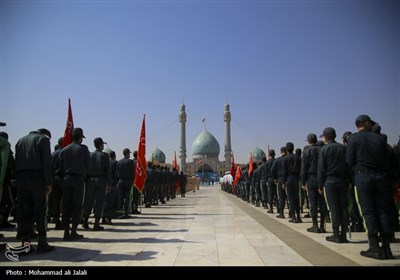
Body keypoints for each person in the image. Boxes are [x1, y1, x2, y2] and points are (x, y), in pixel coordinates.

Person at [347, 115, 394, 259]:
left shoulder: (353, 139)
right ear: (366, 123)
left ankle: (374, 247)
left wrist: (360, 169)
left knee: (368, 212)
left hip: (363, 176)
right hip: (380, 177)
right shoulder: (380, 139)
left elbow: (349, 160)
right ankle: (386, 247)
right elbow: (388, 161)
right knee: (382, 211)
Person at [15, 128, 54, 254]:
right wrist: (48, 183)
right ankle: (42, 243)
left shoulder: (20, 141)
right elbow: (47, 163)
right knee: (41, 210)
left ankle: (25, 244)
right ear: (46, 134)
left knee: (25, 211)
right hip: (36, 178)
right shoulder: (43, 140)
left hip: (21, 178)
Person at [318, 127, 349, 243]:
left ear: (326, 137)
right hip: (342, 181)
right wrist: (350, 181)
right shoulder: (343, 148)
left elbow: (321, 169)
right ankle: (344, 234)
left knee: (333, 209)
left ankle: (336, 234)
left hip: (330, 181)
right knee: (343, 208)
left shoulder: (324, 149)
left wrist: (320, 185)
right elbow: (348, 165)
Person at [60, 127, 90, 241]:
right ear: (80, 138)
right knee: (77, 205)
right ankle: (73, 231)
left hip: (66, 179)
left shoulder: (64, 149)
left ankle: (66, 231)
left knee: (66, 205)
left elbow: (61, 166)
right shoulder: (83, 149)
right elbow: (88, 165)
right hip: (78, 179)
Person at [82, 137, 110, 230]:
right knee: (99, 202)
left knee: (88, 201)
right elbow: (107, 171)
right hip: (101, 180)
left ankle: (85, 221)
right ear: (101, 145)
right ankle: (96, 224)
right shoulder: (105, 156)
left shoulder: (89, 155)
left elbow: (85, 168)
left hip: (90, 180)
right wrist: (109, 183)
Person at [301, 133, 327, 233]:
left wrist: (303, 182)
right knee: (322, 202)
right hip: (322, 178)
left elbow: (303, 169)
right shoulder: (322, 150)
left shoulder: (307, 151)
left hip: (311, 178)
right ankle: (322, 226)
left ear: (308, 141)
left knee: (313, 202)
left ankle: (315, 225)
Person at [283, 142, 302, 223]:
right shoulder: (298, 157)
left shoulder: (285, 158)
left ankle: (293, 217)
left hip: (289, 179)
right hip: (296, 178)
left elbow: (284, 171)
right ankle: (298, 216)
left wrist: (283, 182)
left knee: (291, 198)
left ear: (286, 149)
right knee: (297, 198)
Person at [50, 137, 64, 230]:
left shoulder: (53, 154)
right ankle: (64, 221)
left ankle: (56, 220)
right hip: (63, 178)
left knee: (56, 201)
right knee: (65, 201)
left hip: (54, 178)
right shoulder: (65, 153)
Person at [116, 148, 134, 218]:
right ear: (128, 154)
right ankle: (126, 213)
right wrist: (132, 180)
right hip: (128, 181)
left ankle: (120, 212)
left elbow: (116, 172)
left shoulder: (119, 162)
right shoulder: (130, 162)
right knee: (127, 198)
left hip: (120, 181)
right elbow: (132, 172)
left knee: (120, 197)